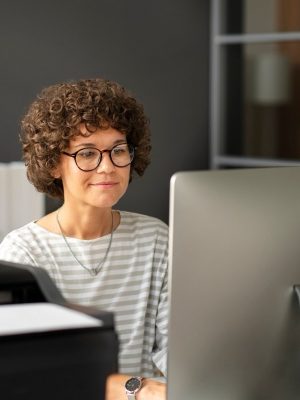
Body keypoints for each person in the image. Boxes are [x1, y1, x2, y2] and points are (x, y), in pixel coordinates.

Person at [0, 79, 168, 399]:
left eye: (118, 150)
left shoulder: (156, 238)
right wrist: (138, 389)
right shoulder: (22, 254)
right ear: (53, 165)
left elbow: (177, 350)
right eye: (87, 153)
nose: (107, 167)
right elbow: (40, 373)